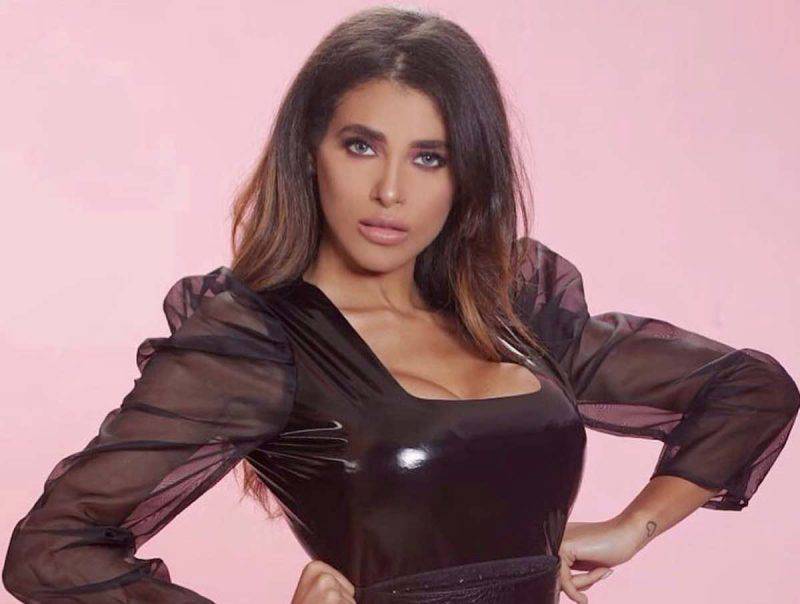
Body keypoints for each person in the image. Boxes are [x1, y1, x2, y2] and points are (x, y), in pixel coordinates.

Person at [3, 6, 799, 604]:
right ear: (308, 153)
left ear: (467, 176)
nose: (391, 191)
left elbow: (751, 389)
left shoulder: (510, 311)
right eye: (362, 146)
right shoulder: (256, 342)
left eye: (430, 158)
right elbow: (52, 552)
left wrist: (632, 528)